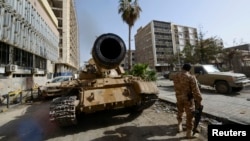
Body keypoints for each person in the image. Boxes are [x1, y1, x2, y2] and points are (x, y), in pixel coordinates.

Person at [173, 63, 203, 138]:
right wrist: (199, 100)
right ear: (189, 69)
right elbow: (196, 90)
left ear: (183, 68)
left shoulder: (176, 76)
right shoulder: (191, 77)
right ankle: (189, 133)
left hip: (178, 97)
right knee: (189, 115)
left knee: (180, 111)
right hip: (188, 99)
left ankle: (179, 126)